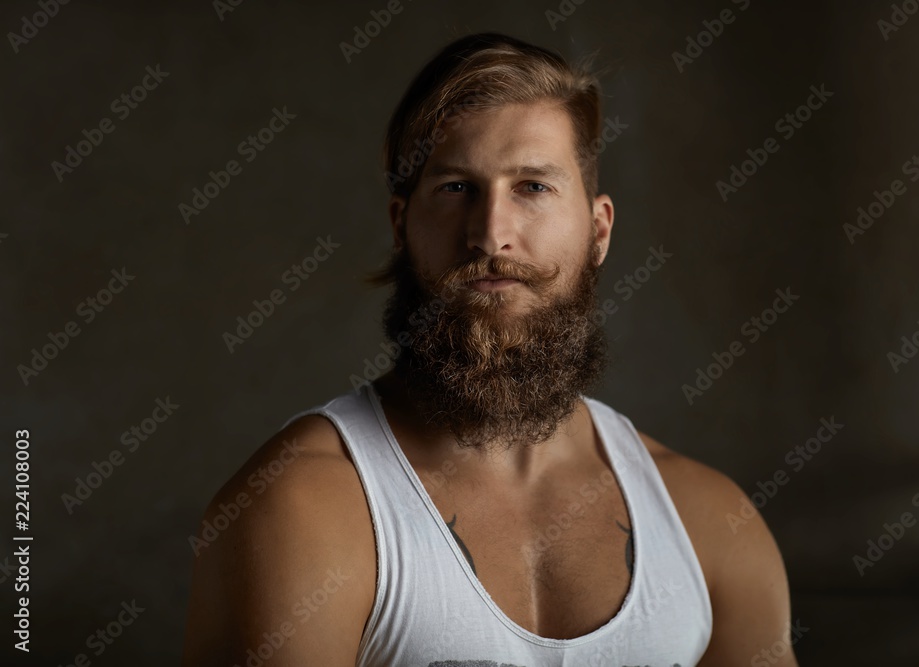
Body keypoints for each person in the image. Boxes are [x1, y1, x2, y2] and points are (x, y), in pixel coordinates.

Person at [181, 32, 797, 667]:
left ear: (598, 229)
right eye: (455, 188)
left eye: (532, 186)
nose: (489, 235)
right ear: (401, 227)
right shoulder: (302, 506)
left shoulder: (708, 520)